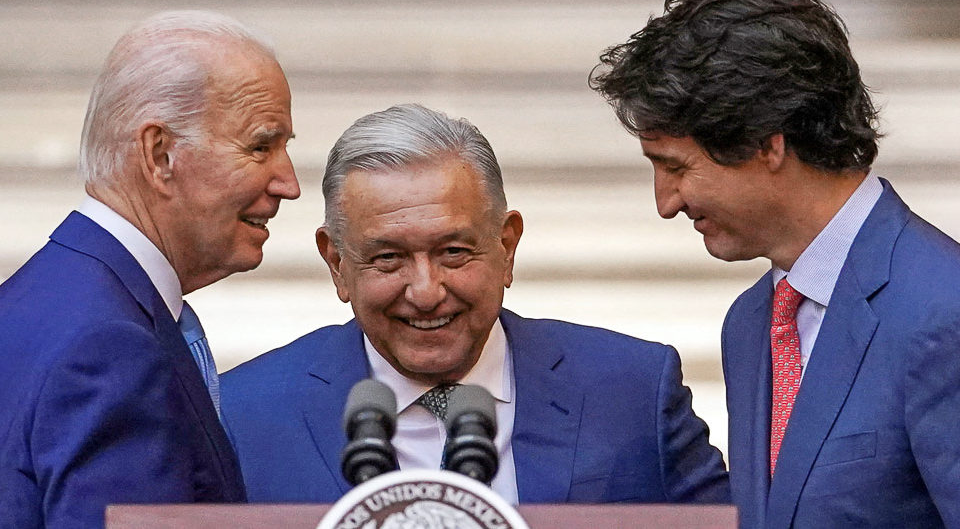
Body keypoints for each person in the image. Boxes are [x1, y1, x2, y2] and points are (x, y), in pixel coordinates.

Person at [590, 0, 960, 527]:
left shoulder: (942, 310)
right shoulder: (749, 322)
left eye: (676, 167)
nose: (665, 203)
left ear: (767, 143)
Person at [220, 103, 729, 505]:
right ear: (337, 264)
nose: (425, 292)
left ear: (507, 246)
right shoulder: (244, 414)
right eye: (389, 258)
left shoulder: (632, 390)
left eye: (454, 253)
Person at [0, 10, 300, 528]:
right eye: (260, 146)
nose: (289, 183)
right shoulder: (109, 346)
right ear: (160, 154)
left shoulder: (41, 297)